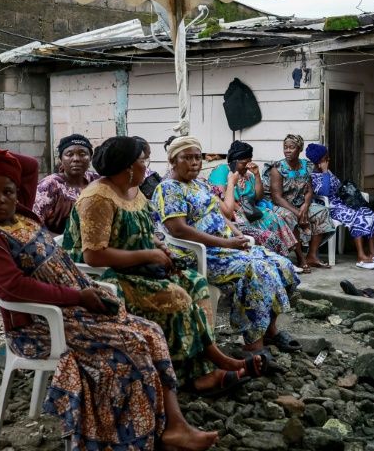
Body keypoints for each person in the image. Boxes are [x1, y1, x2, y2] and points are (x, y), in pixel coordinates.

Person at [0, 149, 218, 451]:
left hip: (77, 307)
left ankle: (174, 426)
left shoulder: (22, 214)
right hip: (41, 324)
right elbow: (13, 288)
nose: (1, 199)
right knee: (130, 345)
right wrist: (77, 297)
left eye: (8, 191)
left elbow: (28, 166)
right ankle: (127, 437)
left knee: (151, 332)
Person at [64, 136, 262, 392]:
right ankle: (198, 373)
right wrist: (149, 256)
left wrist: (161, 248)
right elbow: (94, 256)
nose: (146, 167)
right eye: (141, 162)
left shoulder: (133, 190)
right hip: (108, 276)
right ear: (127, 167)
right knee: (177, 297)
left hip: (139, 267)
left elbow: (146, 232)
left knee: (196, 282)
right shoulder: (97, 199)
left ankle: (210, 358)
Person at [153, 135, 302, 356]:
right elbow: (178, 230)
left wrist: (238, 234)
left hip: (225, 246)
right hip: (198, 253)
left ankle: (270, 329)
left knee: (282, 265)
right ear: (173, 161)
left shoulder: (200, 184)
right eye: (187, 158)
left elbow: (220, 214)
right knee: (258, 271)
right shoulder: (169, 189)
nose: (195, 162)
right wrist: (226, 242)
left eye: (197, 157)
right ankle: (253, 343)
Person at [305, 143, 374, 270]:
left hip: (342, 204)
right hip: (330, 208)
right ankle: (361, 256)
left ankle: (372, 252)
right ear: (319, 161)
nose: (329, 159)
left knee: (367, 212)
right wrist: (325, 172)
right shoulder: (313, 176)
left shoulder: (328, 172)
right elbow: (325, 193)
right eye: (326, 157)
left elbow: (338, 187)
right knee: (357, 217)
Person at [209, 140, 298, 255]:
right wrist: (240, 210)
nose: (247, 166)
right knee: (253, 225)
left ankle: (283, 255)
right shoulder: (222, 170)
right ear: (234, 161)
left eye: (249, 162)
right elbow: (220, 195)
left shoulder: (248, 175)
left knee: (275, 219)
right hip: (231, 212)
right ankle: (265, 255)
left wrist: (256, 175)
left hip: (251, 209)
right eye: (244, 163)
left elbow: (258, 196)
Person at [266, 134, 335, 272]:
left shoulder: (305, 166)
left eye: (292, 147)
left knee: (322, 211)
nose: (287, 151)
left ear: (299, 149)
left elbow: (309, 190)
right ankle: (300, 257)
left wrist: (305, 206)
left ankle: (312, 255)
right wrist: (298, 213)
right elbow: (277, 197)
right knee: (290, 217)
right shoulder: (277, 168)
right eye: (285, 147)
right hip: (280, 205)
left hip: (300, 204)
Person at [33, 134, 99, 235]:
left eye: (82, 154)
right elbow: (34, 225)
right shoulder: (50, 186)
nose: (76, 159)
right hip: (56, 245)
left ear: (90, 158)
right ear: (61, 159)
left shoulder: (96, 181)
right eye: (69, 154)